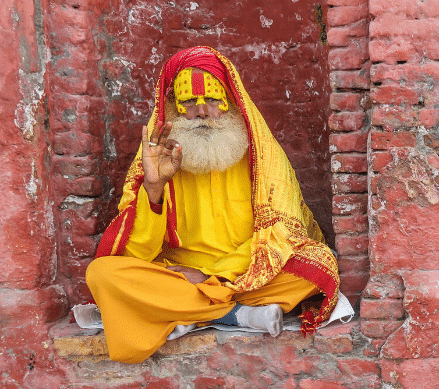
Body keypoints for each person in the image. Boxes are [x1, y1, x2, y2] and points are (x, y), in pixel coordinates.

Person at [87, 47, 341, 364]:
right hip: (178, 276)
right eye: (189, 103)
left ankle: (188, 310)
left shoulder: (262, 155)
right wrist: (154, 189)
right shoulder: (156, 158)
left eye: (211, 100)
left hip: (249, 272)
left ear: (231, 102)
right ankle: (235, 315)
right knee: (102, 274)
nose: (203, 111)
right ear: (174, 109)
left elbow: (284, 233)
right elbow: (134, 254)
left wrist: (211, 276)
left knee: (318, 263)